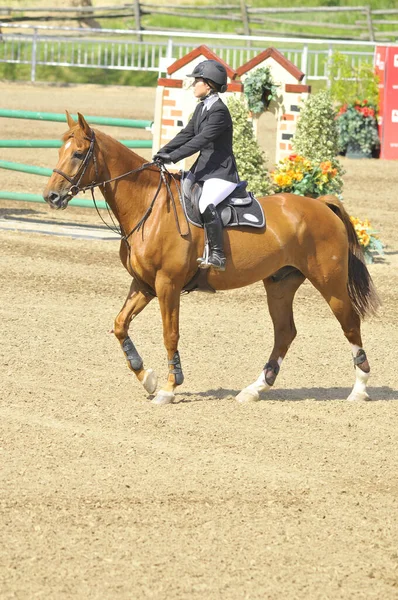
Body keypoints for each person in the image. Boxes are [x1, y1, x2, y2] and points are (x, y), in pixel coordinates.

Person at [153, 59, 239, 271]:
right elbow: (187, 134)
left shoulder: (219, 112)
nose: (193, 85)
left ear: (208, 84)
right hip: (202, 170)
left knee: (204, 204)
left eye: (197, 81)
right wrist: (163, 151)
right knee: (178, 194)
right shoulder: (202, 108)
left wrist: (173, 158)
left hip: (221, 173)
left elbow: (199, 140)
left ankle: (218, 255)